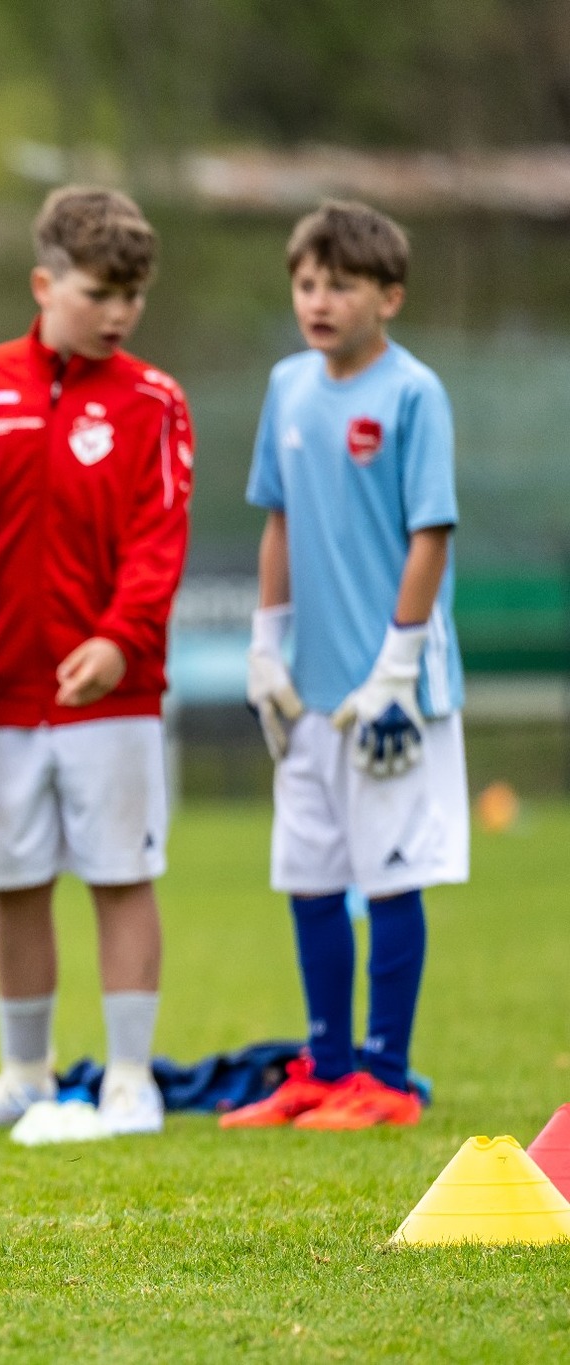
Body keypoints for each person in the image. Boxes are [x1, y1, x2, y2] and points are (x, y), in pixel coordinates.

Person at [0, 187, 193, 1137]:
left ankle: (131, 1075)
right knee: (13, 879)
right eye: (99, 292)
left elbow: (160, 540)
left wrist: (120, 642)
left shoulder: (154, 401)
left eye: (133, 295)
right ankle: (23, 1072)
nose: (118, 312)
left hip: (110, 694)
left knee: (121, 873)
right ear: (45, 282)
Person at [221, 201, 465, 1131]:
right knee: (311, 873)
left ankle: (388, 1079)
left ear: (389, 296)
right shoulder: (287, 386)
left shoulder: (414, 393)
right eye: (307, 283)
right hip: (310, 689)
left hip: (393, 693)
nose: (318, 301)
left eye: (342, 285)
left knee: (391, 872)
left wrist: (397, 667)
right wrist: (264, 648)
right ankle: (323, 1068)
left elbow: (429, 532)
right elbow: (278, 520)